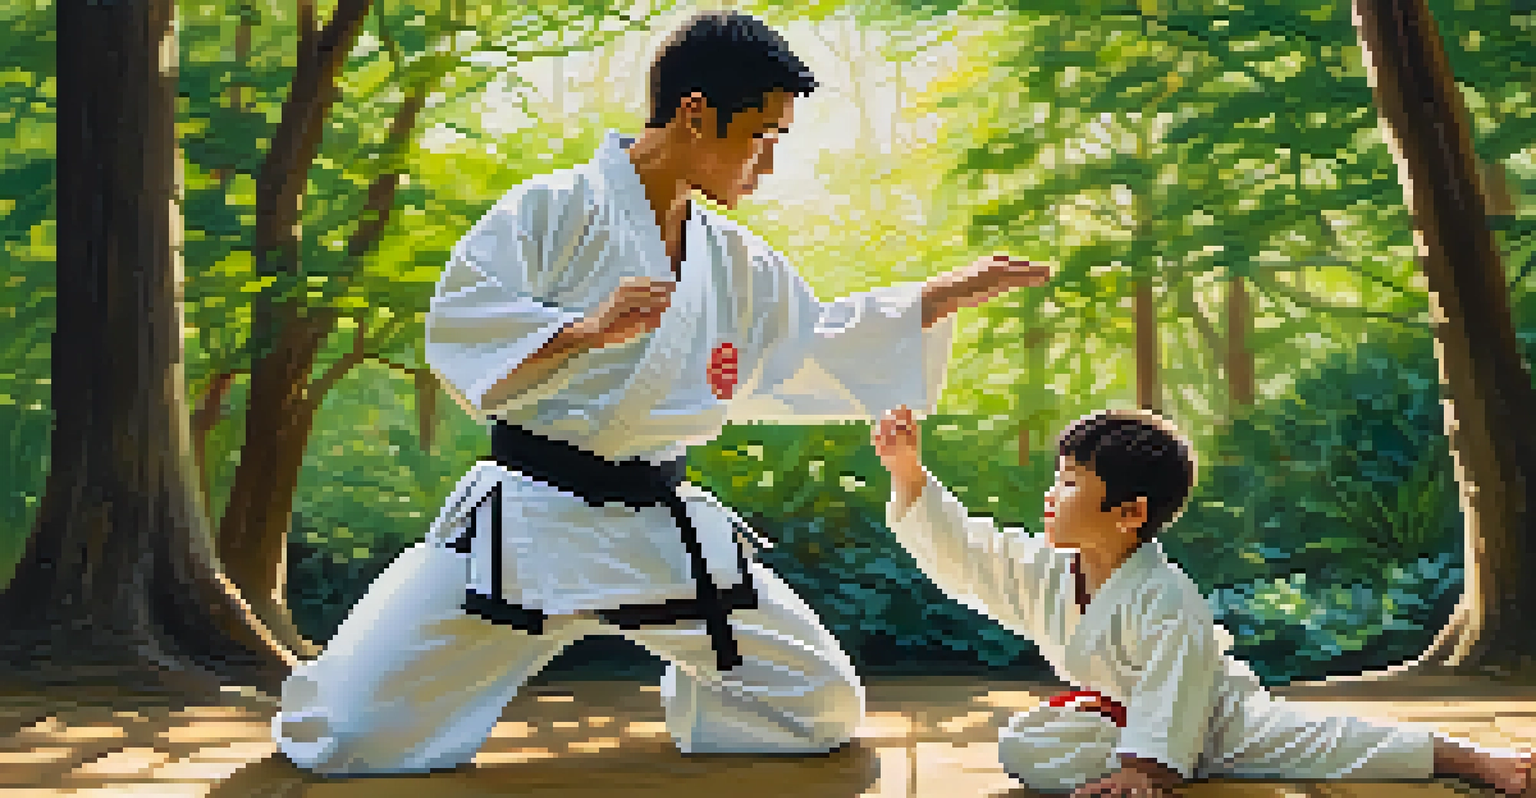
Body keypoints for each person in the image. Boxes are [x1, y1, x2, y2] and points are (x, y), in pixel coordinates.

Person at [270, 11, 1051, 776]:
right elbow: (463, 325)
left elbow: (811, 342)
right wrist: (583, 331)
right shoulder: (551, 211)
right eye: (762, 138)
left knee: (821, 707)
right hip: (529, 522)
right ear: (695, 113)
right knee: (343, 734)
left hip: (660, 534)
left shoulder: (737, 262)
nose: (768, 166)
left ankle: (699, 687)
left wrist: (937, 299)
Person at [873, 405, 1535, 797]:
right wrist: (909, 474)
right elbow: (971, 553)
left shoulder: (1167, 599)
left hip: (1218, 717)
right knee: (1027, 746)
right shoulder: (1048, 569)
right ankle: (1153, 755)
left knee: (1339, 742)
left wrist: (1145, 767)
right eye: (1057, 477)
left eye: (1071, 481)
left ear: (1129, 512)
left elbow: (1175, 688)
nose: (1052, 493)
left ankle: (1475, 759)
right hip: (1125, 721)